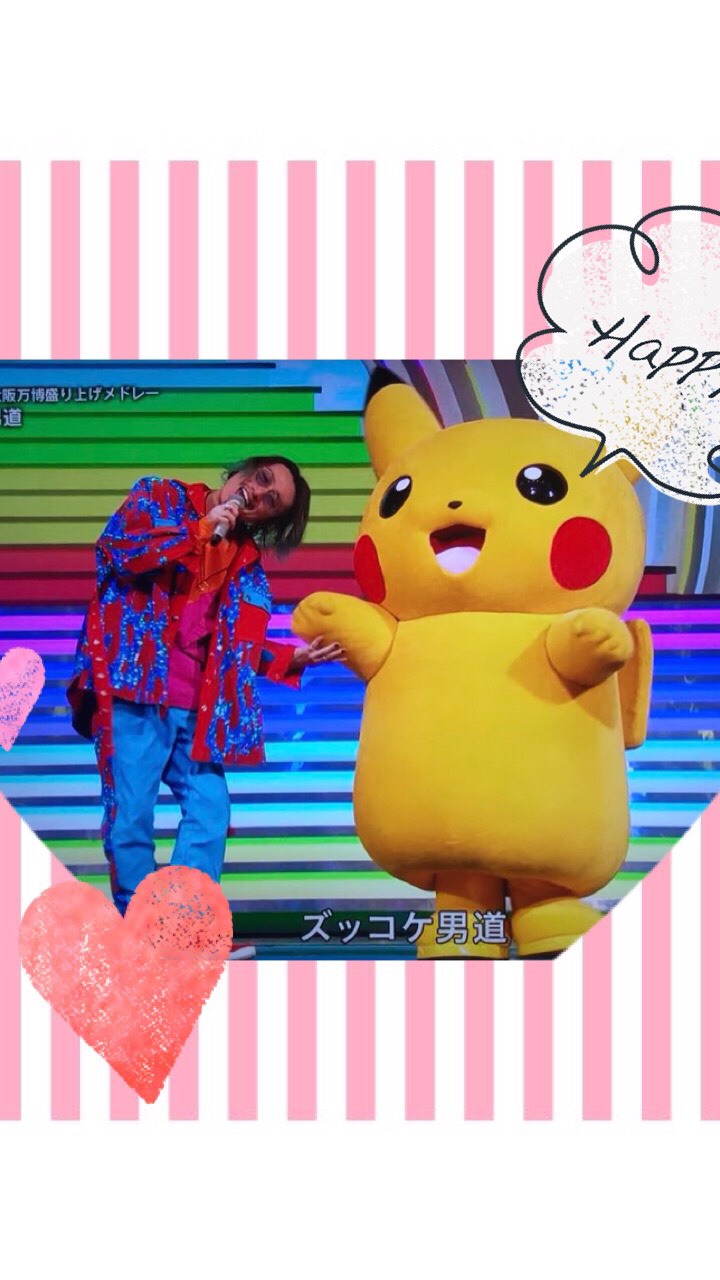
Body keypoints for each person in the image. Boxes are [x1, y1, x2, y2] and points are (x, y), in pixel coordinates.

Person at [67, 456, 342, 939]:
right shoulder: (159, 496)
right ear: (239, 473)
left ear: (266, 520)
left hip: (197, 707)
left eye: (271, 501)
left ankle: (182, 925)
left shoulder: (247, 566)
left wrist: (290, 658)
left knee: (210, 810)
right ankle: (141, 932)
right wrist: (197, 532)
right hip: (135, 686)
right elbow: (118, 551)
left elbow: (236, 646)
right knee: (131, 817)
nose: (257, 494)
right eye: (261, 479)